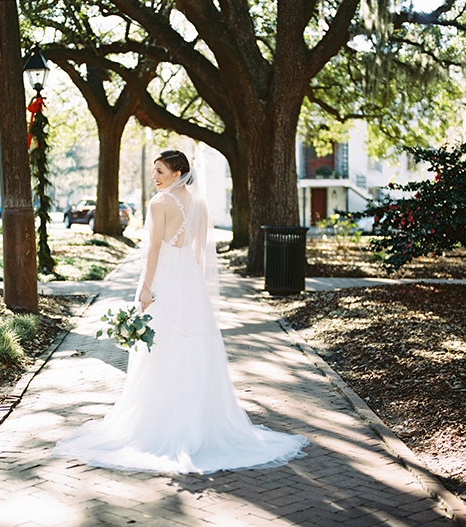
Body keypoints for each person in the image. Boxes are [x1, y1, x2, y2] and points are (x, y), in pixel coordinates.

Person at [52, 150, 308, 474]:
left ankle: (160, 423)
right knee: (190, 349)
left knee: (158, 348)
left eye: (160, 171)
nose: (155, 177)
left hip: (165, 278)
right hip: (190, 280)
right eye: (154, 171)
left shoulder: (159, 204)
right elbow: (200, 254)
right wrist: (195, 289)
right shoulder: (199, 205)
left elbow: (154, 248)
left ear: (178, 172)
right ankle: (194, 421)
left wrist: (146, 287)